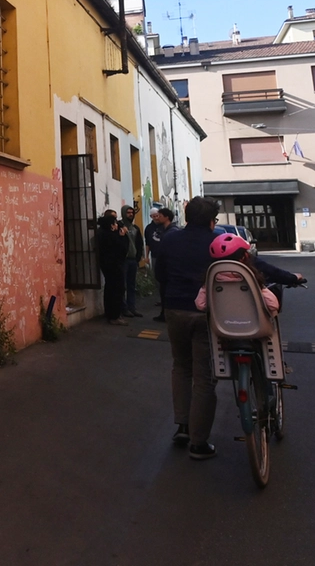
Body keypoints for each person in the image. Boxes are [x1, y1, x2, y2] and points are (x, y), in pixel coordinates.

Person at [153, 196, 221, 460]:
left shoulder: (171, 239)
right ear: (211, 220)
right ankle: (198, 442)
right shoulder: (217, 243)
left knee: (181, 366)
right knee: (204, 376)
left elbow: (160, 274)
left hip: (174, 308)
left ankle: (182, 426)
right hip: (205, 312)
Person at [96, 209, 130, 325]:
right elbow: (122, 249)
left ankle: (111, 313)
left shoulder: (102, 233)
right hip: (114, 265)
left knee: (110, 288)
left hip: (108, 265)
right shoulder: (109, 236)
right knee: (116, 289)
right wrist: (122, 236)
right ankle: (114, 315)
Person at [144, 207, 175, 322]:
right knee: (160, 284)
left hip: (167, 262)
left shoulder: (171, 231)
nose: (157, 217)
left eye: (160, 215)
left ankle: (167, 312)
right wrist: (146, 256)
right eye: (155, 215)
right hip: (158, 258)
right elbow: (148, 242)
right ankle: (164, 312)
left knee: (166, 286)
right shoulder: (153, 228)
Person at [121, 205, 143, 317]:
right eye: (128, 212)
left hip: (133, 259)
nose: (130, 214)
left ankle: (132, 307)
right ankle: (124, 308)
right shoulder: (120, 226)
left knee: (131, 285)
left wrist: (139, 257)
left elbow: (139, 243)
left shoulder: (135, 228)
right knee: (123, 285)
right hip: (124, 260)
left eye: (131, 212)